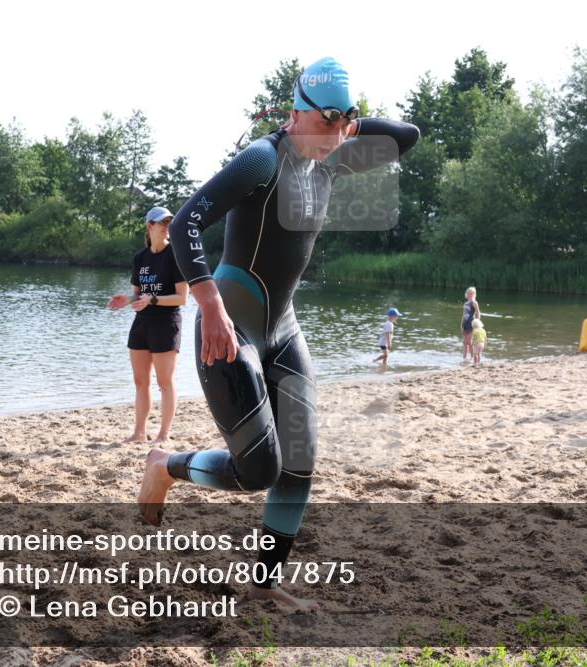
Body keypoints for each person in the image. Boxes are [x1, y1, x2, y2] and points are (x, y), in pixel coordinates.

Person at [136, 57, 420, 610]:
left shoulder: (331, 159)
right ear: (295, 113)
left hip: (283, 330)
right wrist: (208, 301)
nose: (333, 137)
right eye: (324, 124)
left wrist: (346, 125)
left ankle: (264, 585)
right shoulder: (261, 160)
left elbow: (406, 137)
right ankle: (163, 466)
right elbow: (188, 220)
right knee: (257, 470)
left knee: (300, 463)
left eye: (343, 126)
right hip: (228, 329)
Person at [108, 206, 189, 444]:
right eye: (162, 222)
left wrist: (153, 299)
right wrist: (127, 300)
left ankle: (163, 434)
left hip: (166, 323)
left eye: (169, 223)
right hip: (142, 323)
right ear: (149, 226)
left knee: (165, 382)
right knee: (140, 382)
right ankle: (139, 433)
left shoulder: (175, 255)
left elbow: (182, 298)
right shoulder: (140, 258)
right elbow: (138, 295)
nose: (166, 226)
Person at [461, 287, 481, 362]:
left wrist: (477, 324)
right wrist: (461, 325)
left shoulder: (474, 303)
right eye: (469, 293)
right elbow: (463, 315)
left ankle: (473, 358)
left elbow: (478, 313)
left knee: (469, 342)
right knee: (464, 342)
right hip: (465, 324)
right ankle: (464, 358)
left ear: (474, 294)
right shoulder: (466, 303)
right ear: (467, 294)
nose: (470, 294)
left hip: (471, 324)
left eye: (472, 293)